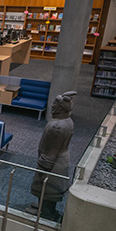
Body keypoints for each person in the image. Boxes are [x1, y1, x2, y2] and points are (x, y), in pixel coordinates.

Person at [27, 91, 76, 221]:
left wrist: (42, 168)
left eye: (54, 103)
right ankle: (42, 207)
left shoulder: (57, 127)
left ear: (60, 108)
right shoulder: (66, 120)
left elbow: (50, 153)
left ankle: (47, 213)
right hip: (59, 159)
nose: (52, 105)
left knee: (47, 187)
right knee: (45, 188)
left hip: (53, 163)